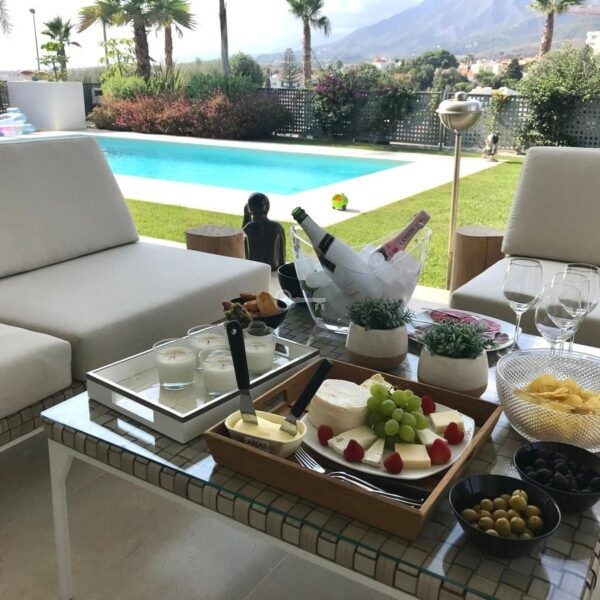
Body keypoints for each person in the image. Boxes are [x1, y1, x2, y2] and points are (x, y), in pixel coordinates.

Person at [242, 192, 286, 271]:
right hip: (273, 268)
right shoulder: (277, 227)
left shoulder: (247, 228)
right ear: (268, 207)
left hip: (254, 268)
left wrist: (246, 215)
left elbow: (242, 249)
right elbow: (282, 254)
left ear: (249, 209)